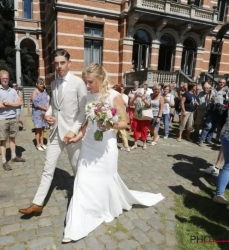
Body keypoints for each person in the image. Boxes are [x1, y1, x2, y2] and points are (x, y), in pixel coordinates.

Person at [61, 63, 164, 243]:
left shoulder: (115, 97)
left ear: (100, 79)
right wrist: (75, 135)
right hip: (89, 146)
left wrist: (110, 124)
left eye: (90, 82)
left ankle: (102, 208)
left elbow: (125, 123)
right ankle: (76, 224)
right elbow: (84, 120)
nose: (87, 85)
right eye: (86, 82)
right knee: (82, 181)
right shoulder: (88, 96)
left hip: (106, 148)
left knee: (104, 180)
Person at [19, 48, 87, 215]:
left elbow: (83, 111)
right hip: (56, 133)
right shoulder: (53, 83)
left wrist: (73, 131)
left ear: (69, 63)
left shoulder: (79, 83)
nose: (59, 66)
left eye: (62, 63)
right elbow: (53, 107)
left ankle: (84, 201)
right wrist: (48, 115)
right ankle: (37, 203)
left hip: (72, 136)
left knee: (78, 169)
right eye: (56, 63)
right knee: (48, 168)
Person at [0, 70, 26, 171]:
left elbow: (20, 103)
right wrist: (13, 104)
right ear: (0, 79)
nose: (5, 80)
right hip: (2, 119)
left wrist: (9, 104)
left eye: (6, 78)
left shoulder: (12, 90)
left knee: (12, 138)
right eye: (3, 78)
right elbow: (0, 105)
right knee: (3, 140)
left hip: (13, 117)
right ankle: (4, 161)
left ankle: (13, 157)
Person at [212, 109, 229, 205]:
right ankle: (219, 195)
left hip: (225, 134)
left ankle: (219, 193)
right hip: (227, 135)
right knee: (228, 166)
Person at [130, 85, 151, 150]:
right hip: (137, 115)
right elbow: (131, 104)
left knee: (144, 129)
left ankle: (144, 143)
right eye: (141, 89)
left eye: (144, 89)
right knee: (136, 129)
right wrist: (135, 97)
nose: (142, 90)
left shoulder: (148, 96)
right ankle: (135, 144)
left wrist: (143, 99)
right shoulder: (136, 96)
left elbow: (148, 105)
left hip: (144, 116)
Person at [31, 77, 49, 151]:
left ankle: (42, 143)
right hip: (37, 113)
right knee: (38, 129)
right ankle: (37, 144)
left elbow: (47, 101)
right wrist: (45, 108)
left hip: (44, 113)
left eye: (42, 84)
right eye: (40, 84)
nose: (42, 85)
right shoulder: (34, 92)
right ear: (37, 84)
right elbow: (36, 104)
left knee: (43, 128)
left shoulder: (45, 92)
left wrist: (47, 108)